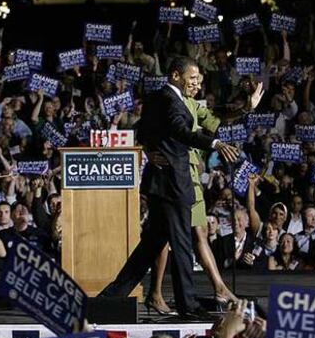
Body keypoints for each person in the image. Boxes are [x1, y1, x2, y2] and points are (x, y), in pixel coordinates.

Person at [99, 56, 238, 320]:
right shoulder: (170, 100)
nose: (196, 83)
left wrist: (151, 149)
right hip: (173, 184)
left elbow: (143, 130)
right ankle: (188, 306)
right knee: (183, 245)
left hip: (162, 183)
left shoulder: (155, 98)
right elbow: (179, 130)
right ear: (176, 75)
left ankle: (112, 297)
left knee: (150, 246)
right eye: (192, 78)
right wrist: (215, 143)